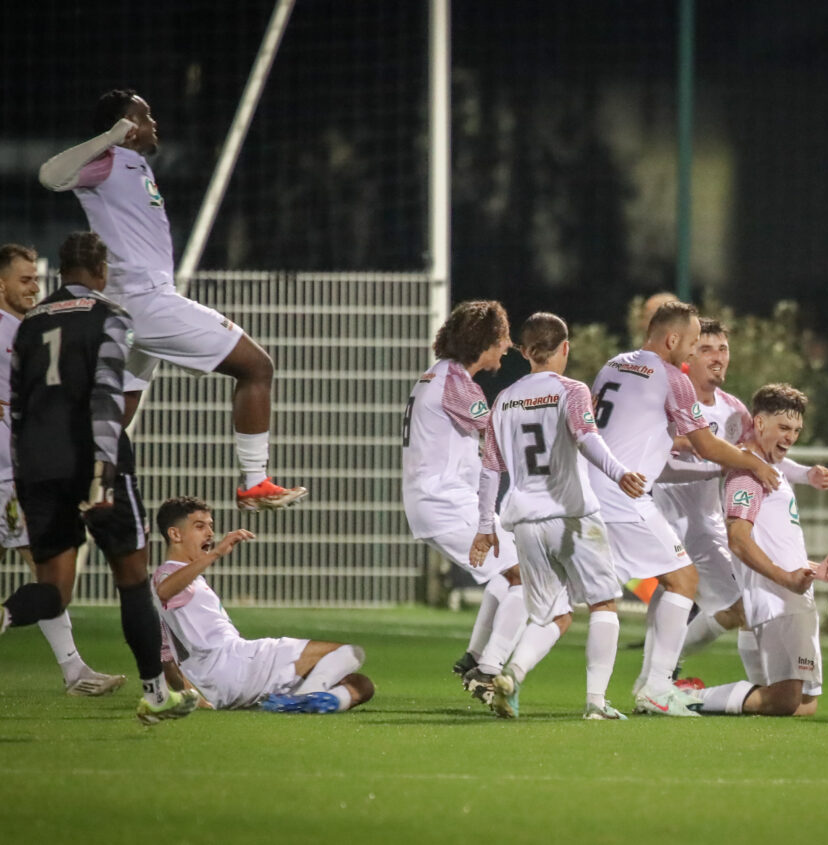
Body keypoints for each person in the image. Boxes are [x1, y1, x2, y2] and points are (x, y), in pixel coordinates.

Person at [37, 89, 305, 512]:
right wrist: (112, 136)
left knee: (120, 409)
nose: (153, 123)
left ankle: (68, 484)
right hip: (145, 302)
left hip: (131, 305)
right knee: (256, 366)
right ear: (125, 126)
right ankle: (254, 481)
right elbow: (50, 176)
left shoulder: (134, 164)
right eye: (144, 117)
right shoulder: (104, 161)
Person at [0, 232, 198, 725]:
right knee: (132, 579)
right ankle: (155, 693)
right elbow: (106, 396)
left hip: (38, 469)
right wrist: (103, 473)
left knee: (54, 588)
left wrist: (26, 477)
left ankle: (5, 614)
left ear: (59, 272)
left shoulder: (30, 325)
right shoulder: (110, 315)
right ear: (102, 270)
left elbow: (19, 410)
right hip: (94, 465)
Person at [589, 300, 780, 716]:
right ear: (673, 339)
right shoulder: (673, 379)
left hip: (598, 489)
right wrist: (754, 465)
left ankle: (507, 662)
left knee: (599, 595)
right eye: (695, 344)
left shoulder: (613, 365)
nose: (697, 353)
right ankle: (658, 685)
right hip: (631, 498)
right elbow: (707, 445)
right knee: (686, 583)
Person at [469, 312, 645, 719]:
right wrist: (620, 474)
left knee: (553, 614)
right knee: (602, 603)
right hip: (572, 516)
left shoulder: (503, 400)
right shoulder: (572, 390)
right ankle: (596, 704)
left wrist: (484, 526)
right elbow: (587, 438)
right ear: (564, 348)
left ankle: (513, 672)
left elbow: (491, 468)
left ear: (525, 352)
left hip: (526, 522)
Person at [653, 319, 828, 681]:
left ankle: (670, 677)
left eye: (723, 349)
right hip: (662, 518)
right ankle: (666, 677)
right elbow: (654, 457)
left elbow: (762, 453)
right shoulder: (666, 400)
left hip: (706, 525)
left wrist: (805, 475)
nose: (718, 357)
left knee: (737, 608)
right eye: (707, 349)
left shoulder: (734, 410)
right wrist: (715, 463)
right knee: (626, 603)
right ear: (690, 353)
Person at [0, 243, 125, 696]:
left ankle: (74, 670)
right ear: (1, 283)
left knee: (46, 571)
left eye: (37, 278)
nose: (35, 287)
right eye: (25, 279)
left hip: (20, 469)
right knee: (50, 573)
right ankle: (73, 670)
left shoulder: (29, 327)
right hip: (13, 473)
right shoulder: (15, 330)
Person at [688, 383, 828, 717]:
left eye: (797, 430)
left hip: (790, 599)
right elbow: (738, 540)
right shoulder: (748, 473)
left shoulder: (771, 469)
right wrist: (785, 578)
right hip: (778, 604)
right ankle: (679, 697)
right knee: (784, 701)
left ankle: (688, 695)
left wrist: (814, 570)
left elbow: (776, 543)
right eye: (784, 428)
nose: (790, 437)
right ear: (759, 424)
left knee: (804, 705)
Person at [401, 300, 530, 697]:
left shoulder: (439, 376)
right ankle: (487, 670)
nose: (507, 347)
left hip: (440, 499)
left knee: (510, 572)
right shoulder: (454, 382)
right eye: (503, 339)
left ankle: (475, 658)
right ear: (483, 341)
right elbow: (496, 428)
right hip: (444, 501)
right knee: (525, 576)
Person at [153, 496, 374, 713]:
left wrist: (201, 700)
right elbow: (164, 589)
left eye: (210, 526)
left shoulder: (182, 584)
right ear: (175, 534)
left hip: (221, 685)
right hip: (236, 663)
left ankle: (314, 699)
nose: (210, 533)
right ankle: (300, 701)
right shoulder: (168, 575)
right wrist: (217, 553)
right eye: (199, 526)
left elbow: (166, 660)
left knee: (361, 685)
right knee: (350, 653)